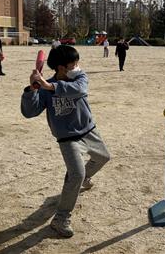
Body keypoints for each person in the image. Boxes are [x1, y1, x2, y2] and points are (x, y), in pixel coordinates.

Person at [21, 45, 110, 238]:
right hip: (67, 138)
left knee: (103, 157)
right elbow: (30, 112)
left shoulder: (79, 78)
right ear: (61, 67)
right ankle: (60, 218)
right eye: (73, 64)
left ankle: (83, 178)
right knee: (76, 174)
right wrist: (32, 90)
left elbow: (79, 90)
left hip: (88, 131)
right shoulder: (45, 87)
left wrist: (49, 86)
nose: (77, 66)